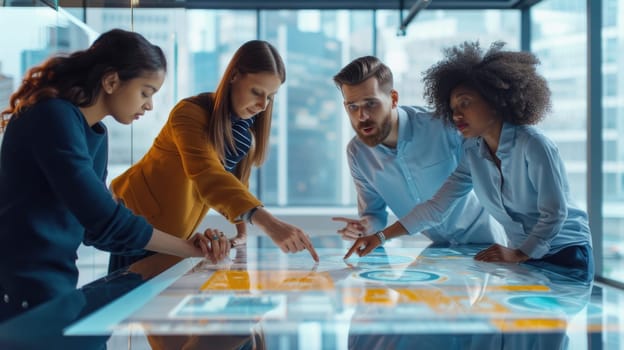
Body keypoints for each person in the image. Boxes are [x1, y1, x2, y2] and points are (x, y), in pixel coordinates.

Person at [0, 29, 229, 323]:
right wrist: (185, 248)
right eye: (145, 92)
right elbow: (103, 217)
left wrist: (187, 246)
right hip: (22, 293)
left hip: (57, 289)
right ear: (111, 81)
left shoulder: (95, 133)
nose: (149, 105)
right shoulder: (52, 117)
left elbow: (96, 231)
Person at [345, 41, 593, 276]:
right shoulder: (474, 155)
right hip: (520, 254)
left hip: (565, 251)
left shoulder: (534, 144)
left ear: (494, 100)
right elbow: (435, 208)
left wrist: (520, 252)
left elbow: (555, 212)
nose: (456, 115)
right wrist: (379, 237)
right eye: (453, 109)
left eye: (465, 103)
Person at [108, 39, 318, 274]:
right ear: (234, 76)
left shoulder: (243, 133)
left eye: (270, 97)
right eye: (257, 92)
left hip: (174, 234)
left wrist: (240, 235)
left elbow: (236, 185)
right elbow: (208, 174)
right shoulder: (189, 113)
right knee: (125, 299)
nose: (262, 104)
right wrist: (269, 224)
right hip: (137, 220)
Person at [331, 55, 505, 246]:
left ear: (393, 99)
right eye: (352, 107)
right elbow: (374, 214)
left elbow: (492, 174)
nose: (361, 116)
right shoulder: (357, 154)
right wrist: (364, 228)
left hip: (488, 241)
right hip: (438, 249)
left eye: (371, 103)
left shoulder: (443, 126)